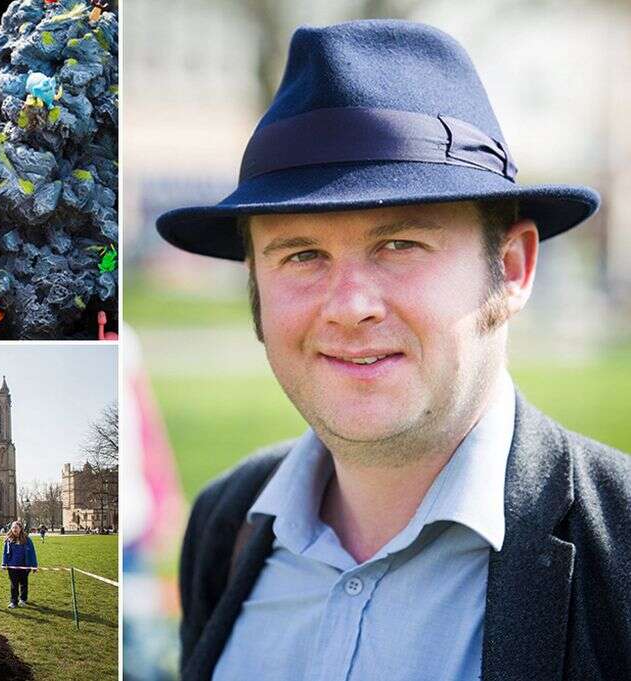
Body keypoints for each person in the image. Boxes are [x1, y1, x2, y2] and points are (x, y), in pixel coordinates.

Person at [156, 20, 631, 681]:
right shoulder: (222, 526)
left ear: (513, 266)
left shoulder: (621, 550)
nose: (350, 304)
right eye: (301, 254)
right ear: (255, 285)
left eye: (400, 244)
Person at [2, 521, 38, 608]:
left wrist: (34, 565)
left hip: (24, 566)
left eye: (16, 527)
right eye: (13, 527)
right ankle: (14, 601)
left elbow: (32, 553)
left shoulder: (27, 539)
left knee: (23, 584)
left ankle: (23, 599)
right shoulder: (8, 540)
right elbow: (5, 553)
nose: (15, 529)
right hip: (12, 566)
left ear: (20, 529)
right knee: (14, 585)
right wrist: (4, 563)